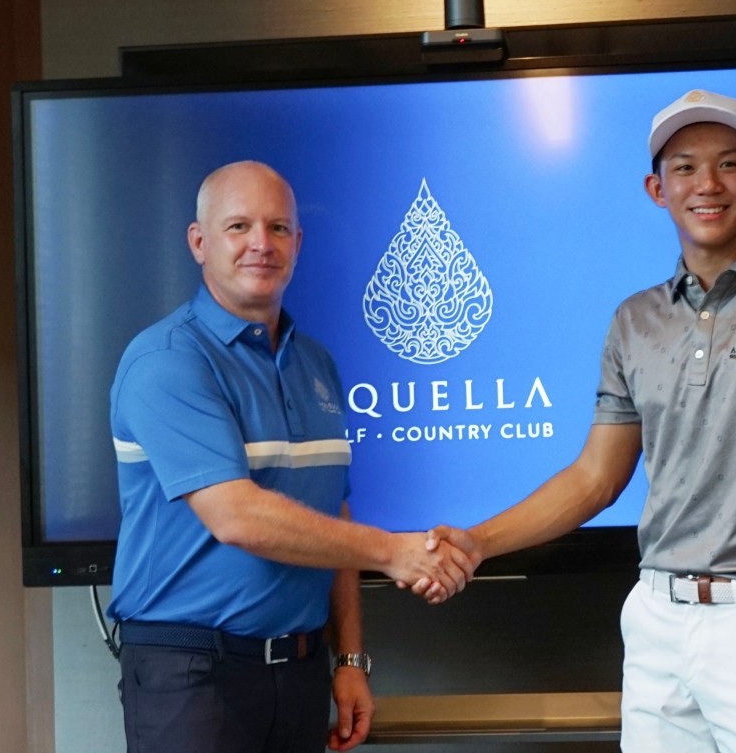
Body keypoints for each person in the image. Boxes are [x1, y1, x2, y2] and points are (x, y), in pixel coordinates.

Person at [421, 90, 736, 752]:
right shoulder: (634, 321)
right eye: (684, 167)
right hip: (657, 622)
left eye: (728, 164)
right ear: (657, 189)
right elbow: (594, 478)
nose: (707, 184)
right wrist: (477, 542)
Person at [107, 160, 474, 753]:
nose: (261, 243)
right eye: (238, 227)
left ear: (298, 244)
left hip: (300, 671)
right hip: (191, 672)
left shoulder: (316, 363)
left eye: (278, 228)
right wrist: (395, 552)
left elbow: (333, 517)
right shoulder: (168, 360)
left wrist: (349, 659)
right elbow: (237, 516)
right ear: (198, 243)